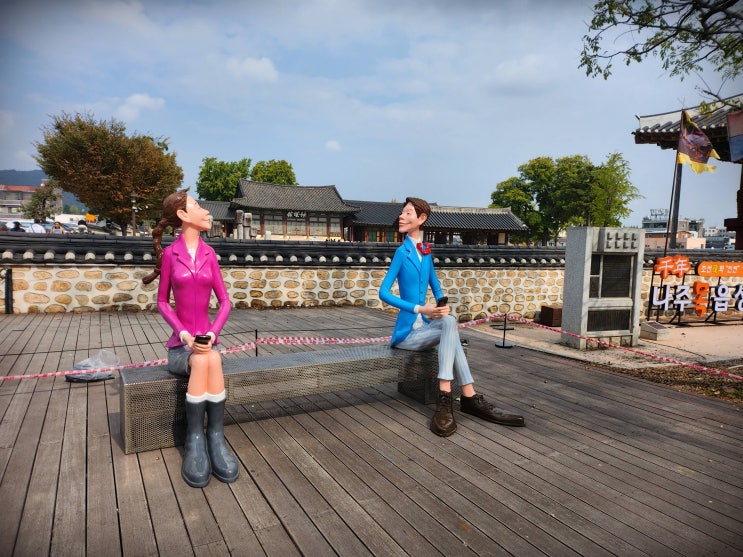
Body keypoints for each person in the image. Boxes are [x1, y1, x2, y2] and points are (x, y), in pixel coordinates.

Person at [380, 197, 525, 437]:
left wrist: (441, 305)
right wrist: (421, 309)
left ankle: (454, 397)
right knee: (450, 326)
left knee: (448, 321)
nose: (401, 217)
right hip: (407, 334)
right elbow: (383, 293)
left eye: (407, 213)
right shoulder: (401, 252)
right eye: (402, 212)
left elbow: (436, 287)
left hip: (426, 327)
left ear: (422, 219)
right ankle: (463, 397)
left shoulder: (426, 252)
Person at [142, 191, 238, 487]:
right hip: (180, 349)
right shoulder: (171, 255)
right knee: (203, 360)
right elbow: (162, 302)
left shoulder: (210, 255)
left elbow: (225, 302)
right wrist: (184, 335)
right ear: (183, 215)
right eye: (197, 206)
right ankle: (196, 438)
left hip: (208, 343)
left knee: (211, 357)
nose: (206, 211)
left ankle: (214, 437)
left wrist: (212, 333)